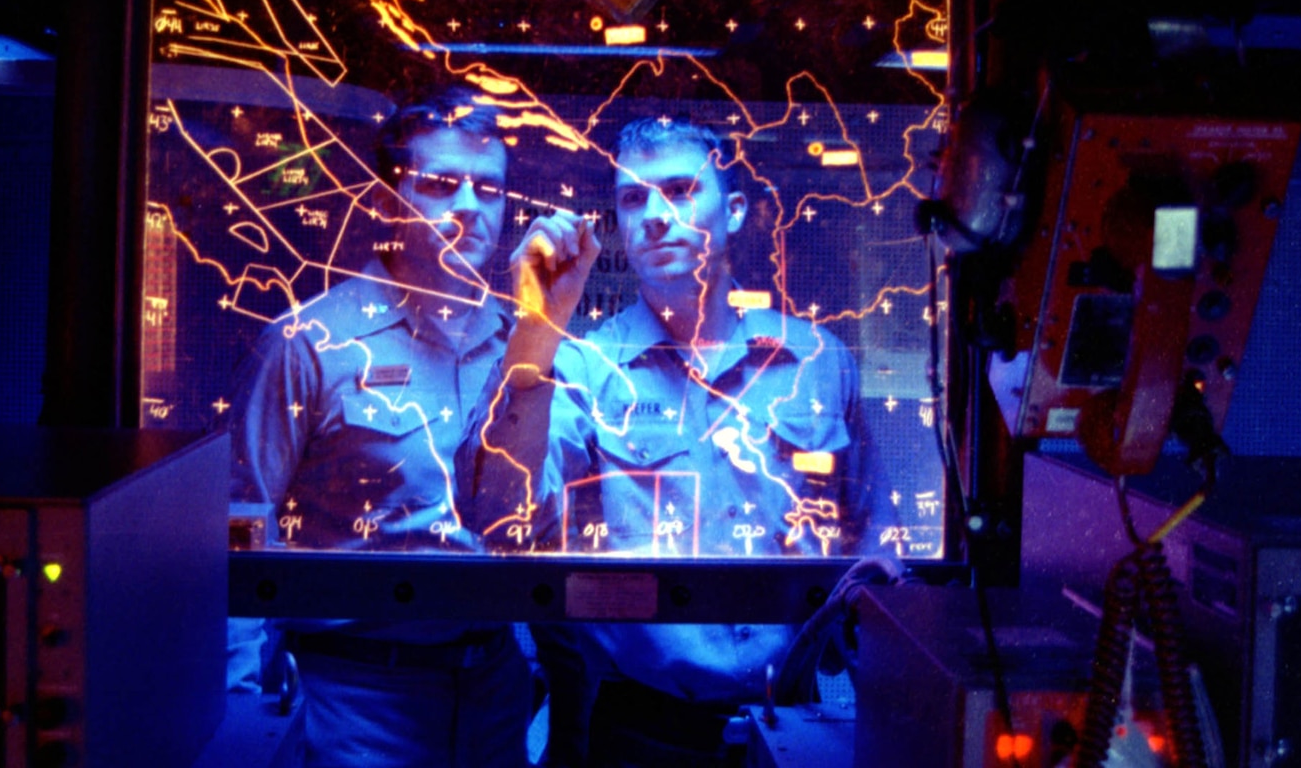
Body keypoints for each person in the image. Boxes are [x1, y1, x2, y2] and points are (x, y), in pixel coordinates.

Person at [457, 115, 890, 767]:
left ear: (735, 209)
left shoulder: (815, 360)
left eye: (682, 190)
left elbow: (874, 537)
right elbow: (501, 521)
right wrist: (534, 332)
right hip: (638, 731)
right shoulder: (581, 366)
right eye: (633, 198)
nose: (655, 215)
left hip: (799, 726)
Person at [233, 85, 531, 768]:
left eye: (488, 191)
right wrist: (241, 714)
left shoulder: (523, 348)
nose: (467, 209)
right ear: (386, 199)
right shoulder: (309, 345)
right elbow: (238, 527)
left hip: (492, 694)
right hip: (353, 698)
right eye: (440, 185)